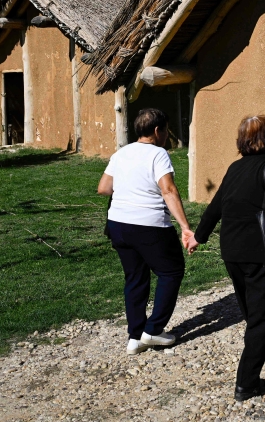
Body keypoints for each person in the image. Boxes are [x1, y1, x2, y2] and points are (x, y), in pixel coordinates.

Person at [188, 115, 265, 401]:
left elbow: (216, 205)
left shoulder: (235, 168)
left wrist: (199, 236)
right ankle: (246, 383)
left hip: (232, 250)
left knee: (251, 309)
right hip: (260, 252)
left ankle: (264, 339)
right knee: (259, 318)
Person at [98, 108, 194, 356]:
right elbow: (169, 190)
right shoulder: (158, 154)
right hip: (149, 225)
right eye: (165, 131)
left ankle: (134, 336)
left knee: (135, 277)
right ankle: (153, 329)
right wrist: (185, 226)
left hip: (118, 224)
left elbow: (104, 188)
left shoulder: (121, 153)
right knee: (171, 271)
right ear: (157, 131)